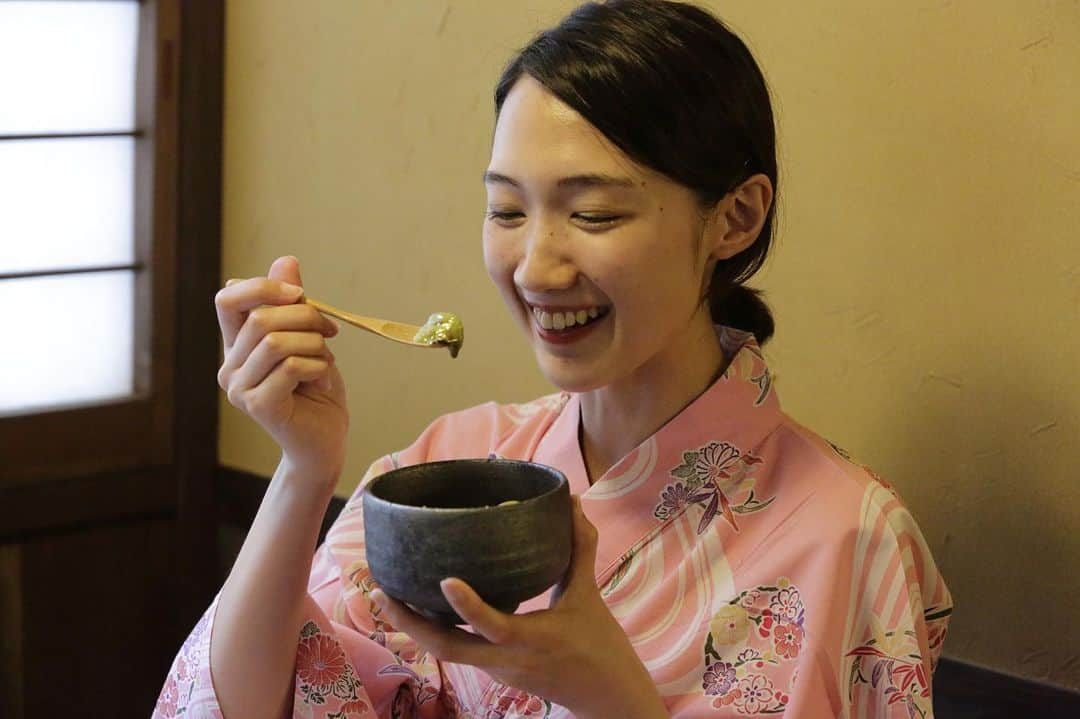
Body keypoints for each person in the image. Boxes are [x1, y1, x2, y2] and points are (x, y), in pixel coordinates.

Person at [153, 1, 951, 717]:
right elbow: (250, 704)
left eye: (593, 212)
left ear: (735, 217)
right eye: (506, 209)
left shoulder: (852, 534)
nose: (535, 266)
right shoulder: (450, 463)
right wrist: (302, 467)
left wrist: (612, 694)